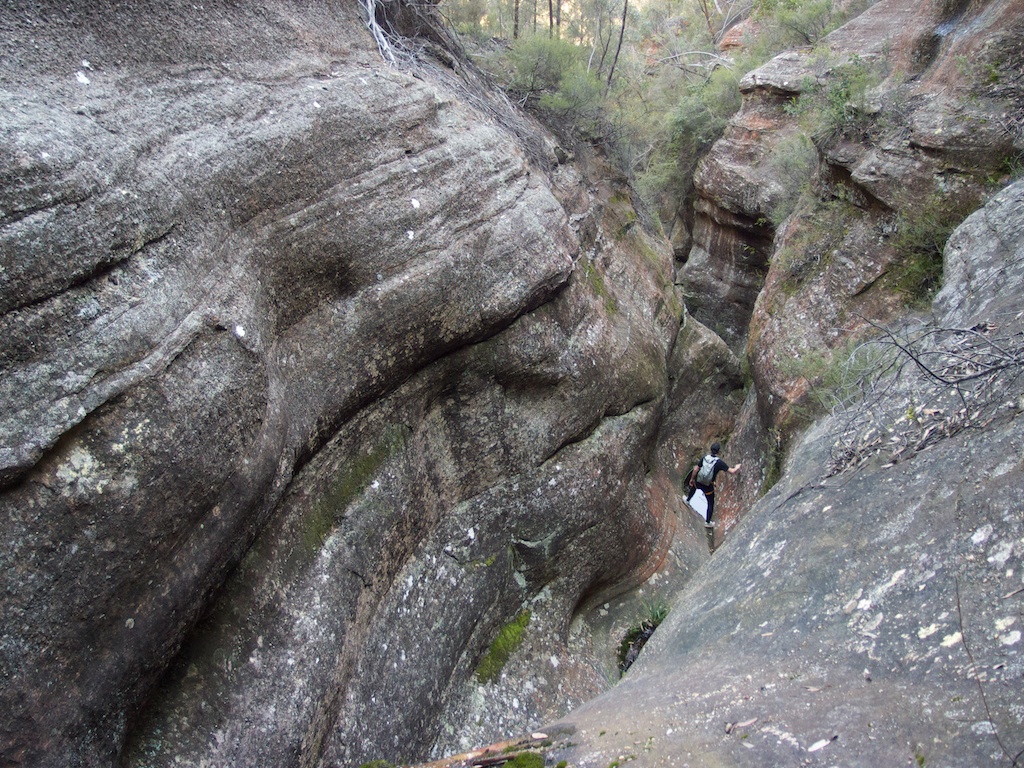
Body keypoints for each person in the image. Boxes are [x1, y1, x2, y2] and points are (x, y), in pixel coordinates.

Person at [685, 442, 741, 527]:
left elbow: (696, 469)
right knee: (710, 503)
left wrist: (692, 479)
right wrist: (737, 467)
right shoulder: (719, 462)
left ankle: (688, 500)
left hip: (699, 481)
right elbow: (732, 471)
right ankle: (707, 522)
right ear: (718, 451)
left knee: (694, 487)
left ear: (711, 449)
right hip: (708, 486)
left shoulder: (705, 458)